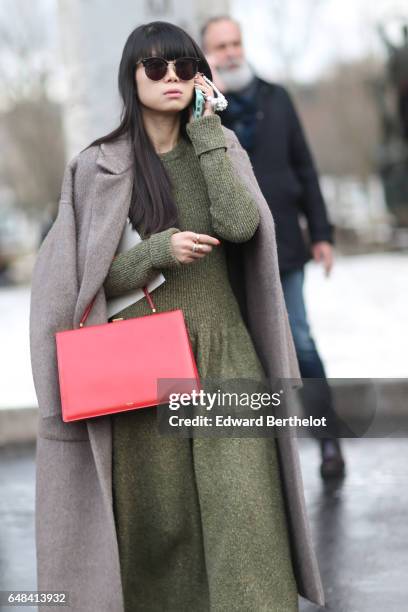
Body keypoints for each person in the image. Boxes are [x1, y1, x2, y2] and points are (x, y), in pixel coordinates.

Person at [29, 21, 325, 611]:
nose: (172, 79)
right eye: (157, 68)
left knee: (246, 512)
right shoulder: (96, 168)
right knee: (161, 530)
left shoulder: (219, 146)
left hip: (224, 355)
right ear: (131, 75)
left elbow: (242, 226)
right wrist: (156, 251)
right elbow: (80, 285)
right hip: (141, 368)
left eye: (186, 68)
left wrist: (210, 131)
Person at [201, 15, 346, 479]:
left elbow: (304, 166)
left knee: (300, 342)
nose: (230, 51)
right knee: (249, 350)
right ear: (206, 55)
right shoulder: (201, 110)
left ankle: (328, 441)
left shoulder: (276, 97)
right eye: (220, 45)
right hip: (231, 251)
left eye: (235, 42)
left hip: (285, 246)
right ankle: (262, 463)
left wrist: (321, 233)